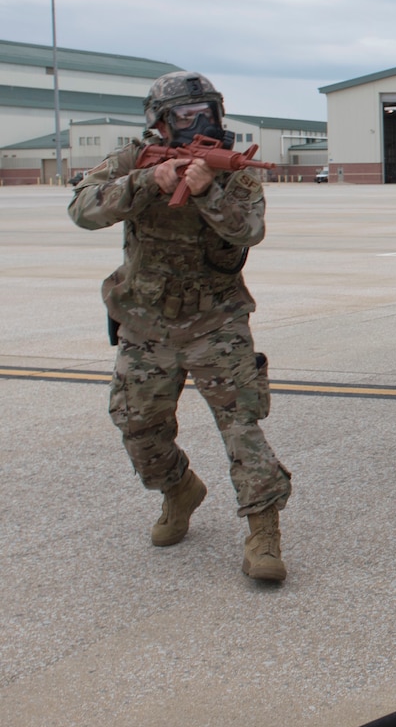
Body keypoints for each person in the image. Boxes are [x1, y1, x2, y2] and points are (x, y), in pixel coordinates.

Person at [67, 71, 291, 582]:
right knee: (137, 427)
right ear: (161, 124)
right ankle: (178, 490)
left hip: (217, 321)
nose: (198, 125)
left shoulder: (235, 174)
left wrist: (209, 192)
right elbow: (82, 208)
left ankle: (263, 534)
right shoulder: (132, 159)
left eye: (206, 113)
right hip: (145, 323)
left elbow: (250, 230)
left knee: (242, 429)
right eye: (186, 116)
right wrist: (147, 182)